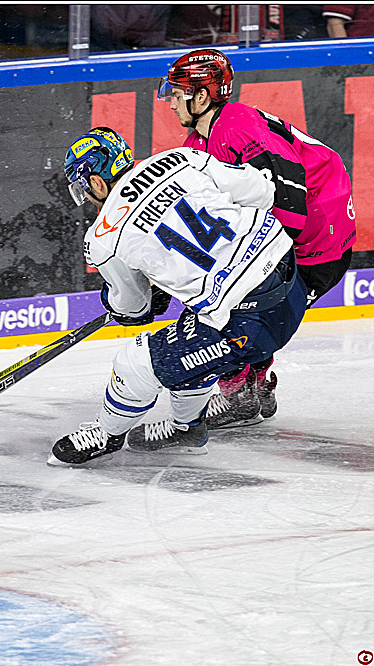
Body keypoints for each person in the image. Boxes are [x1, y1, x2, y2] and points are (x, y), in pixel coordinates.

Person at [49, 127, 306, 467]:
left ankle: (107, 435)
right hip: (292, 282)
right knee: (190, 331)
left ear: (96, 183)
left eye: (85, 188)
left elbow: (133, 308)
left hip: (250, 325)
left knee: (136, 362)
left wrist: (131, 297)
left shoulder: (103, 238)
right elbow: (260, 191)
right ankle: (187, 430)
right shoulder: (179, 158)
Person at [157, 48, 356, 428]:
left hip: (319, 238)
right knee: (242, 304)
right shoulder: (196, 145)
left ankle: (241, 393)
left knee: (242, 308)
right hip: (302, 232)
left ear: (202, 96)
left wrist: (250, 264)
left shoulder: (237, 126)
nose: (169, 101)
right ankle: (253, 386)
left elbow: (290, 195)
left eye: (177, 91)